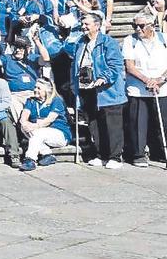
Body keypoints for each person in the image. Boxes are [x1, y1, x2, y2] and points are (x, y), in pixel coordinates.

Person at [72, 11, 126, 168]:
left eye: (86, 24)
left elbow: (116, 65)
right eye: (82, 24)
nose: (83, 27)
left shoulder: (108, 42)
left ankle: (115, 157)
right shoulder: (80, 43)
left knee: (112, 125)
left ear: (97, 25)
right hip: (87, 89)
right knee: (94, 124)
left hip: (108, 91)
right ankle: (100, 154)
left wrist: (103, 78)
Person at [123, 10, 167, 167]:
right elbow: (130, 66)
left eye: (141, 26)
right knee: (138, 124)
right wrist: (147, 80)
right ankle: (138, 154)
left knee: (163, 122)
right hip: (138, 89)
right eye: (134, 25)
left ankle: (161, 153)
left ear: (152, 25)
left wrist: (160, 80)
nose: (137, 29)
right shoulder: (130, 40)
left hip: (162, 88)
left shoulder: (164, 39)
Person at [18, 79, 71, 171]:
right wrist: (25, 124)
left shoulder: (56, 100)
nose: (35, 90)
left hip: (59, 133)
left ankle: (30, 159)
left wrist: (34, 126)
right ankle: (47, 154)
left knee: (38, 133)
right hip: (39, 133)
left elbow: (49, 120)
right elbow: (24, 116)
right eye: (35, 87)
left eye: (39, 88)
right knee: (25, 128)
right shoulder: (31, 101)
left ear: (47, 90)